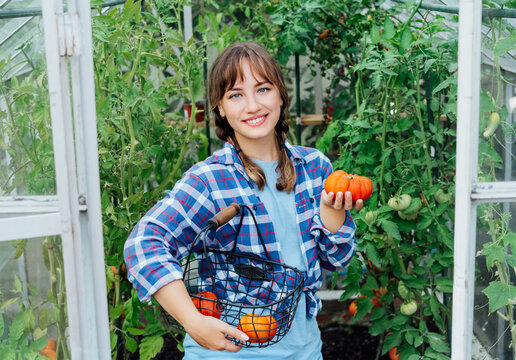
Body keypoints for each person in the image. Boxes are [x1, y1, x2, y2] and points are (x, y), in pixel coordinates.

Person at [124, 42, 362, 359]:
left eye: (263, 89)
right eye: (236, 95)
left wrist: (333, 213)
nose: (252, 105)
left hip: (303, 351)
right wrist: (193, 322)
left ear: (281, 96)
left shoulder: (315, 168)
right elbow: (144, 243)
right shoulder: (209, 180)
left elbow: (337, 261)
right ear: (220, 107)